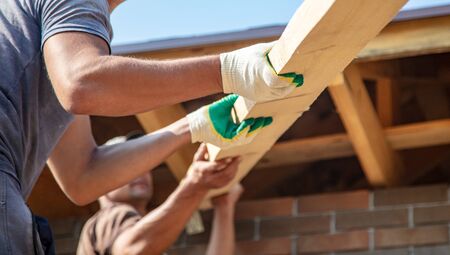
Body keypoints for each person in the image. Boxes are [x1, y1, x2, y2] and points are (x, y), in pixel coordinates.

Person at [0, 0, 302, 253]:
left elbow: (82, 177)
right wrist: (228, 70)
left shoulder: (50, 45)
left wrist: (196, 124)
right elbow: (84, 82)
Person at [77, 134, 244, 255]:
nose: (140, 172)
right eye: (127, 167)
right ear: (100, 182)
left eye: (143, 166)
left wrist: (224, 207)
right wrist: (195, 186)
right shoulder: (110, 217)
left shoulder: (147, 237)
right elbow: (131, 250)